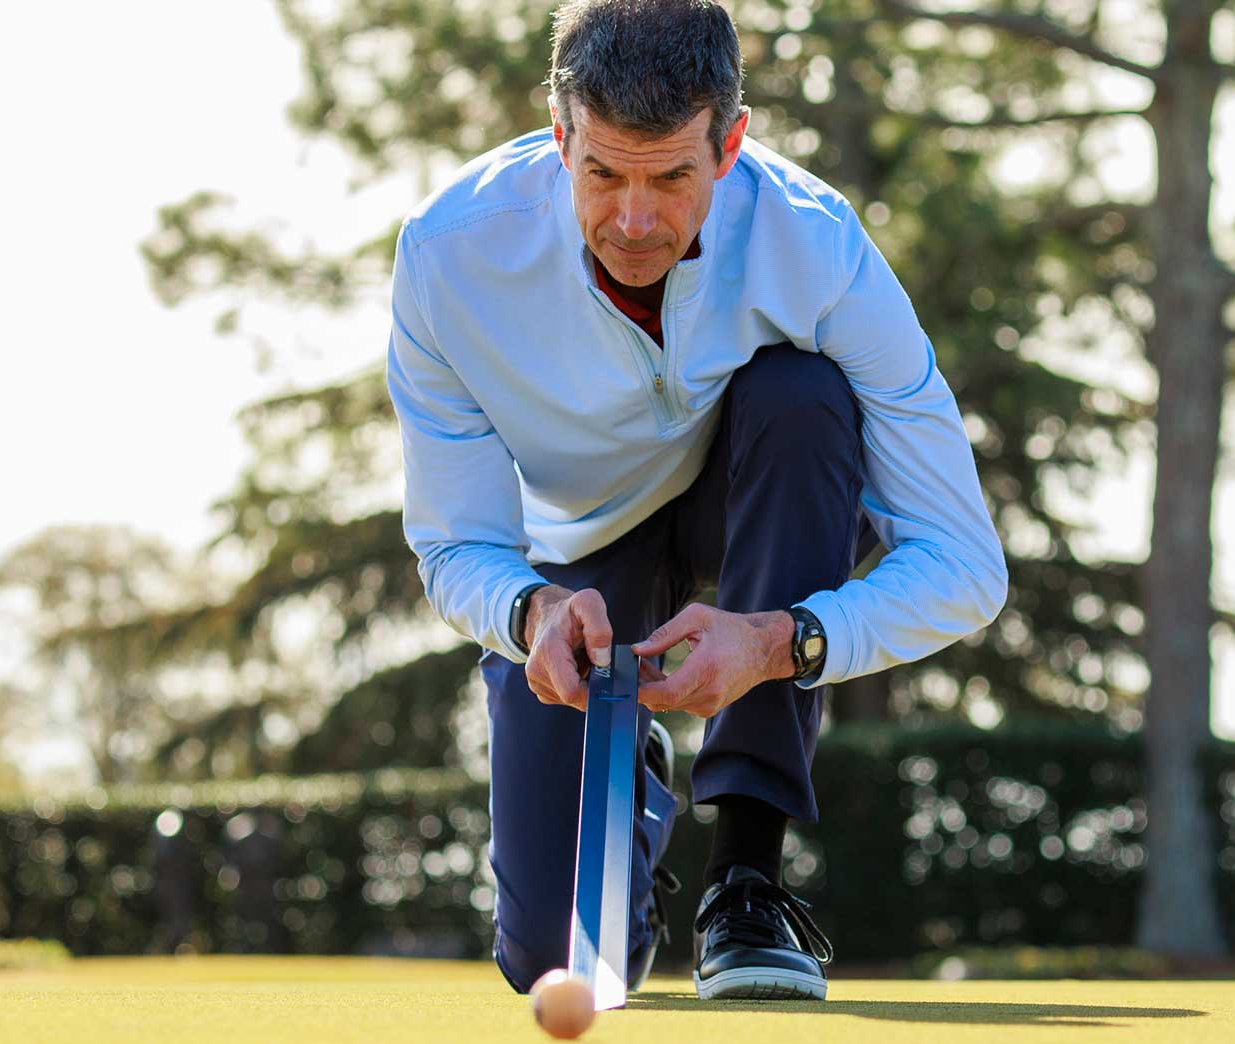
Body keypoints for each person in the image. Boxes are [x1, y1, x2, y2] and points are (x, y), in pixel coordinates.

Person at [385, 0, 1007, 1002]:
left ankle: (745, 881)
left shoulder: (819, 246)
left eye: (671, 176)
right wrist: (529, 611)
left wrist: (778, 644)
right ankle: (633, 766)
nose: (634, 220)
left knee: (801, 399)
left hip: (750, 503)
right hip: (581, 554)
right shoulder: (444, 256)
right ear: (558, 137)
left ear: (729, 147)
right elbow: (455, 544)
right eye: (602, 174)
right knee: (552, 958)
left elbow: (965, 569)